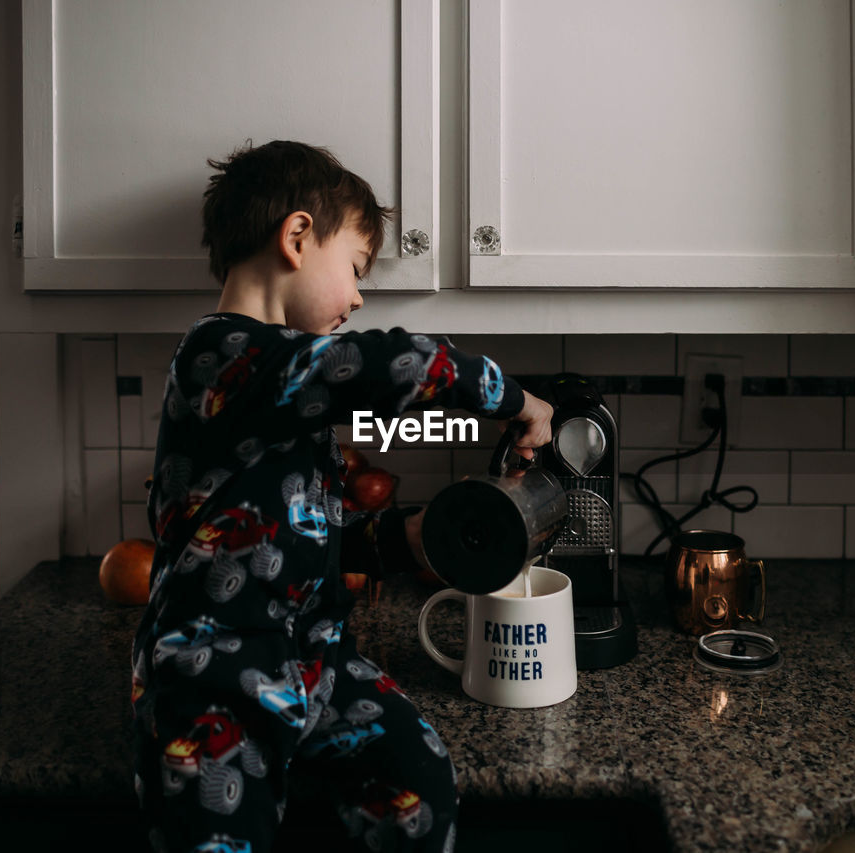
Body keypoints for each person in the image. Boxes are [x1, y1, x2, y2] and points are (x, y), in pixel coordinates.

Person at [130, 140, 554, 853]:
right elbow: (387, 364)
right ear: (296, 238)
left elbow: (309, 526)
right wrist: (512, 399)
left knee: (420, 788)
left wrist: (403, 538)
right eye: (355, 269)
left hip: (317, 663)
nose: (358, 297)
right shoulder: (221, 359)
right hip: (212, 679)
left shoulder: (287, 389)